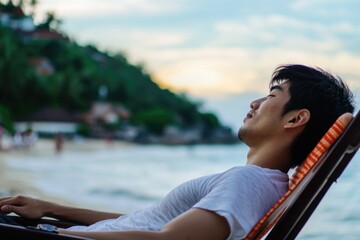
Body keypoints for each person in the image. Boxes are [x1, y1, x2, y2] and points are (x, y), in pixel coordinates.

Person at [0, 64, 355, 240]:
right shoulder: (257, 182)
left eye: (272, 96)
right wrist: (50, 209)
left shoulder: (249, 182)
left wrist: (58, 232)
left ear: (296, 118)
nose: (255, 102)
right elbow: (147, 222)